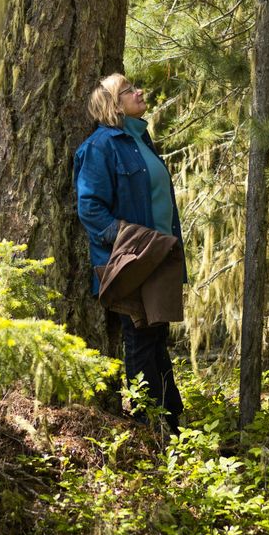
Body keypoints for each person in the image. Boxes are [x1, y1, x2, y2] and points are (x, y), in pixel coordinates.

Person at [73, 72, 184, 435]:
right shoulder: (102, 145)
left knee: (156, 341)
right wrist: (128, 243)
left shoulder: (140, 139)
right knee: (139, 341)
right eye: (128, 90)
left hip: (159, 258)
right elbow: (90, 208)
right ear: (113, 104)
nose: (139, 91)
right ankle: (147, 428)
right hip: (131, 262)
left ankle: (171, 426)